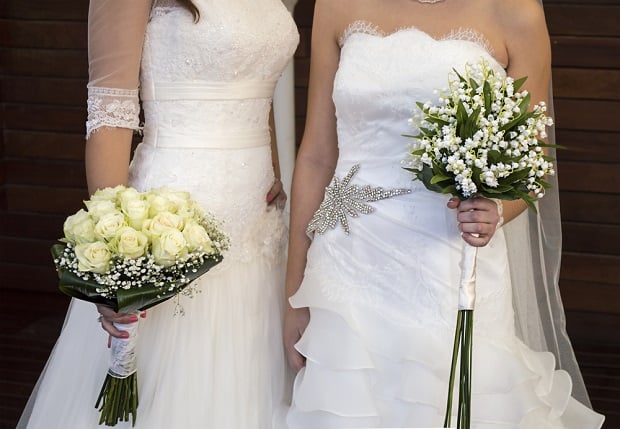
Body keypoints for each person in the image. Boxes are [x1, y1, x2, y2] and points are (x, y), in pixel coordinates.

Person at [283, 0, 605, 427]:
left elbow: (531, 163)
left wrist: (496, 209)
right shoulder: (335, 4)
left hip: (452, 264)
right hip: (347, 262)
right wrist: (294, 294)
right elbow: (317, 158)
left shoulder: (515, 11)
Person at [18, 0, 298, 427]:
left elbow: (254, 80)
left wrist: (273, 169)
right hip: (172, 225)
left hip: (260, 226)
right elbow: (110, 116)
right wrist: (113, 258)